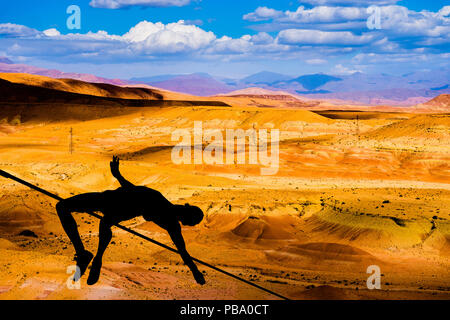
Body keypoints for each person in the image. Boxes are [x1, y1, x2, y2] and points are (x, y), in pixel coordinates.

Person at [56, 156, 205, 286]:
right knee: (100, 220)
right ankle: (91, 257)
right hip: (111, 200)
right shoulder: (170, 220)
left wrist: (118, 176)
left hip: (113, 202)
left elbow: (134, 191)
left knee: (71, 210)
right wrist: (195, 272)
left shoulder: (162, 207)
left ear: (185, 212)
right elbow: (183, 252)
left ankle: (89, 256)